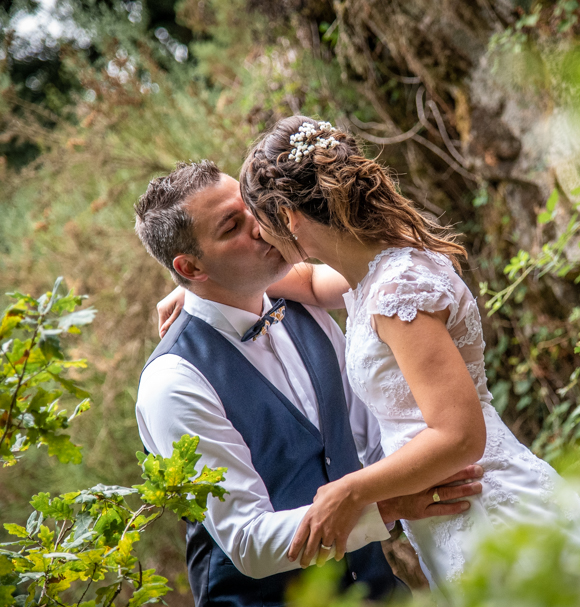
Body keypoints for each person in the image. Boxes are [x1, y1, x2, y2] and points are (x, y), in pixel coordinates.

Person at [233, 116, 580, 588]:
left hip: (484, 505)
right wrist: (202, 292)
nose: (256, 236)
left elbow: (461, 436)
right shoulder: (370, 270)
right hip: (452, 514)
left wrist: (350, 490)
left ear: (291, 218)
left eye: (256, 222)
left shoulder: (396, 291)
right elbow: (305, 283)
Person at [134, 160, 482, 606]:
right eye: (232, 227)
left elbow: (368, 441)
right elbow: (248, 542)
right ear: (191, 267)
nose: (261, 227)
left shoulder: (302, 306)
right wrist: (388, 506)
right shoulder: (173, 381)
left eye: (252, 208)